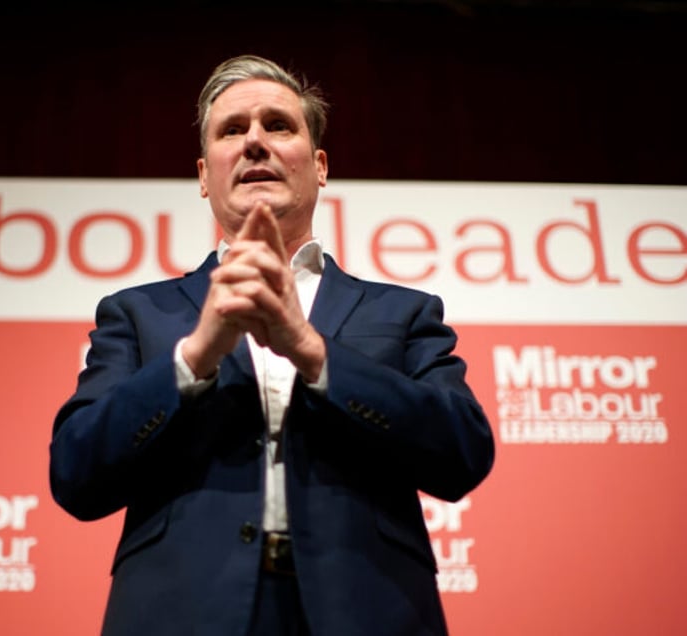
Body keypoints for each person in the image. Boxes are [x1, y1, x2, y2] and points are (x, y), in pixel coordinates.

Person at [50, 54, 494, 636]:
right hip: (182, 611)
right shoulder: (137, 314)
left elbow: (463, 453)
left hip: (367, 610)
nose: (255, 142)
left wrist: (312, 351)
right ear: (205, 175)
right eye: (232, 131)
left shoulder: (404, 312)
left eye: (277, 125)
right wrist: (196, 355)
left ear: (319, 165)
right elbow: (76, 473)